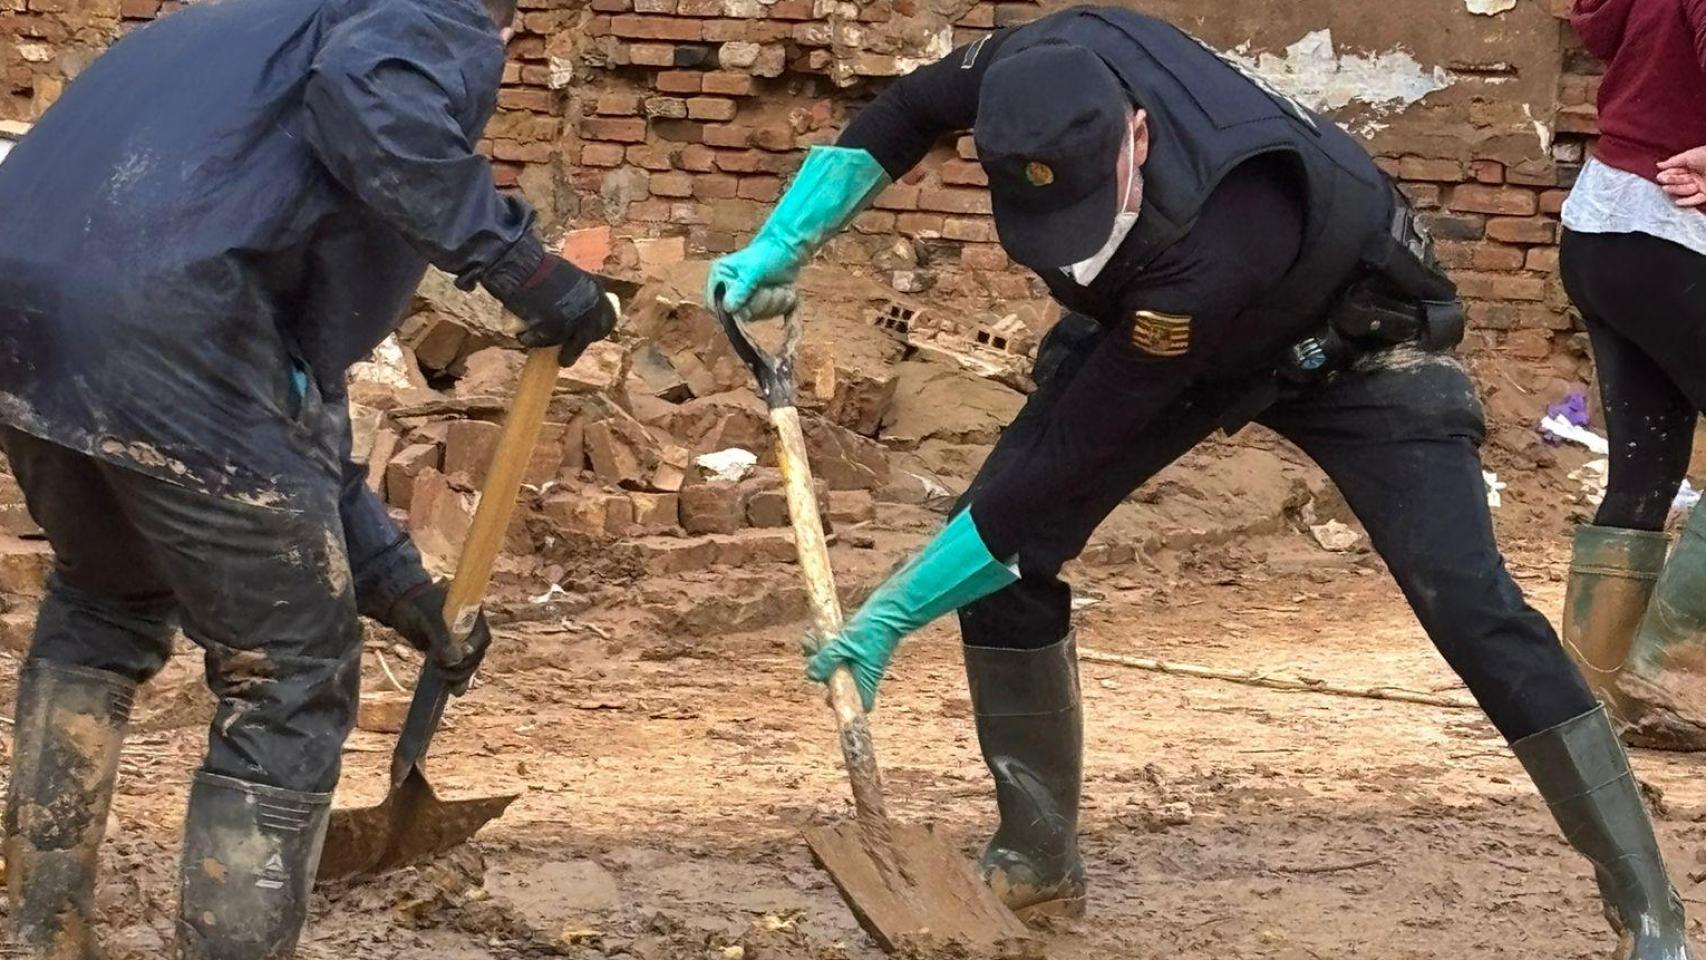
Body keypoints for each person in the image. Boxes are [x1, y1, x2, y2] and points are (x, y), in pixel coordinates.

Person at [707, 7, 1693, 956]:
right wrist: (780, 243)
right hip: (1157, 325)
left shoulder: (1218, 243)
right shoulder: (1040, 62)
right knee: (1013, 572)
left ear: (1135, 135)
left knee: (1466, 601)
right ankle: (1034, 856)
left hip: (1354, 341)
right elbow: (902, 116)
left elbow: (1048, 475)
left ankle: (1647, 907)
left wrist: (888, 614)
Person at [0, 0, 617, 952]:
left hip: (30, 325)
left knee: (105, 600)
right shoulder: (422, 18)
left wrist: (408, 593)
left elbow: (291, 425)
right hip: (176, 318)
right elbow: (370, 90)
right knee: (289, 668)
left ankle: (42, 936)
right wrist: (521, 266)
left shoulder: (225, 36)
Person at [1555, 0, 1706, 754]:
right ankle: (1676, 679)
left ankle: (1586, 694)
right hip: (1674, 230)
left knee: (1646, 471)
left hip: (1606, 223)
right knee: (1648, 466)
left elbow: (1598, 22)